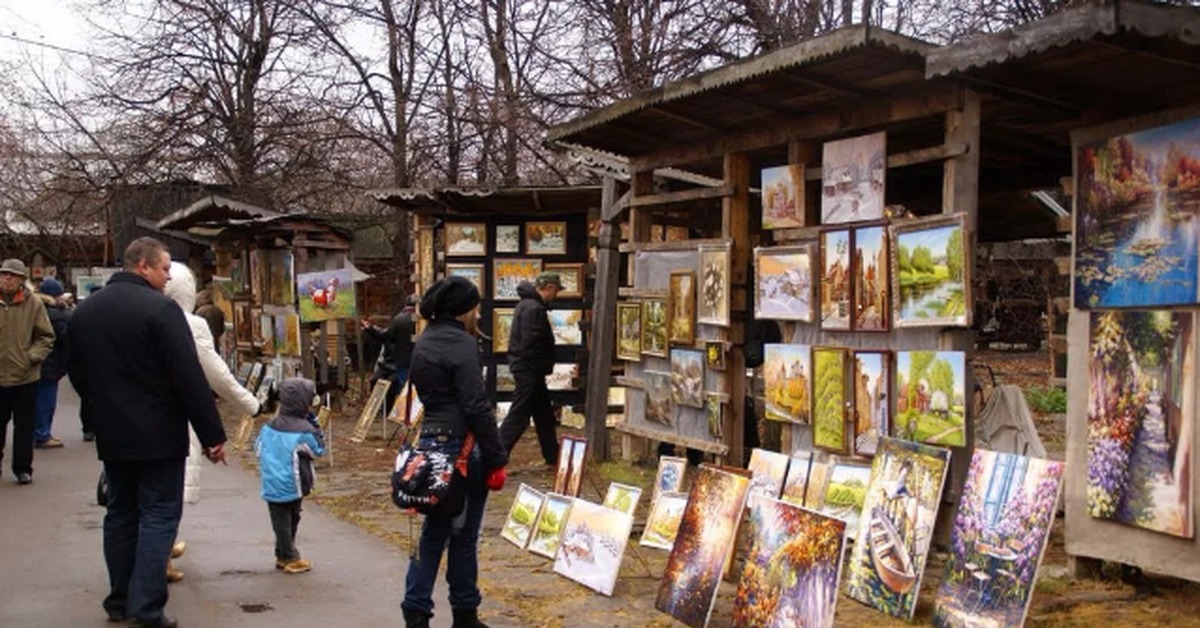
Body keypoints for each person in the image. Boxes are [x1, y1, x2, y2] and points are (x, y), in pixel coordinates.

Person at [67, 237, 227, 628]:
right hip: (159, 434)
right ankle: (147, 607)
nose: (168, 275)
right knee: (158, 516)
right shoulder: (161, 310)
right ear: (143, 267)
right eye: (164, 268)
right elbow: (188, 377)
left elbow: (76, 371)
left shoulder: (87, 312)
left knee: (120, 513)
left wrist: (100, 408)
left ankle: (119, 600)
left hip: (113, 433)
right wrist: (212, 435)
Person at [402, 276, 508, 628]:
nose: (478, 314)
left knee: (432, 533)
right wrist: (496, 456)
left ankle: (416, 609)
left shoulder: (424, 341)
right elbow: (476, 406)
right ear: (465, 309)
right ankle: (465, 613)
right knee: (463, 537)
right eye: (475, 307)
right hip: (462, 450)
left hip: (430, 444)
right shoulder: (461, 344)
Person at [163, 261, 262, 583]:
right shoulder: (190, 325)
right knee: (169, 488)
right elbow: (215, 373)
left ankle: (157, 547)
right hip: (176, 417)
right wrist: (251, 404)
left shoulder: (127, 316)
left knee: (145, 492)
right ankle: (159, 555)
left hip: (127, 419)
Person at [255, 377, 325, 575]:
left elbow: (258, 448)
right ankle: (289, 556)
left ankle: (282, 552)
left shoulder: (269, 426)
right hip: (293, 481)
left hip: (272, 481)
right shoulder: (304, 430)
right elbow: (318, 450)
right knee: (290, 518)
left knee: (281, 519)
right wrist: (315, 424)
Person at [0, 258, 56, 484]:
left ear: (22, 279)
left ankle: (23, 468)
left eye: (12, 275)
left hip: (25, 376)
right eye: (4, 274)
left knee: (24, 427)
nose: (7, 278)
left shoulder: (33, 303)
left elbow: (46, 336)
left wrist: (31, 357)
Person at [499, 272, 561, 465]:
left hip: (530, 369)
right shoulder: (533, 308)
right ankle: (497, 453)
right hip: (530, 370)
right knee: (519, 414)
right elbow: (531, 342)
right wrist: (537, 367)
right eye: (556, 290)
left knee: (543, 415)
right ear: (549, 287)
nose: (556, 295)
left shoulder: (528, 305)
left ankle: (553, 454)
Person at [362, 295, 417, 413]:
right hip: (414, 360)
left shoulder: (400, 320)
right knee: (401, 387)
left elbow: (383, 337)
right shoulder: (424, 319)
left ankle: (382, 410)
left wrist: (370, 329)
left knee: (396, 386)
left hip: (399, 362)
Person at [33, 277, 71, 449]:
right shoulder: (56, 315)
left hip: (38, 364)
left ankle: (38, 432)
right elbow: (64, 339)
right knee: (46, 402)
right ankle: (42, 434)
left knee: (36, 401)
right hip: (50, 364)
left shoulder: (34, 309)